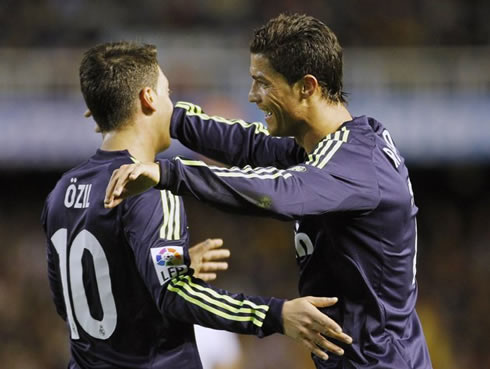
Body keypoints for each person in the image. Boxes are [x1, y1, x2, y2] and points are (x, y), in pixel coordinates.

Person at [104, 14, 433, 369]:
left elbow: (280, 193)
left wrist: (168, 173)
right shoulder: (321, 146)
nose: (252, 95)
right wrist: (169, 119)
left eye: (263, 83)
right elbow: (246, 143)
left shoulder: (356, 164)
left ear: (307, 86)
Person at [41, 41, 352, 369]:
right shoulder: (149, 187)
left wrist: (162, 267)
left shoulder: (62, 191)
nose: (171, 104)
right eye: (167, 92)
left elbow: (71, 303)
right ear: (148, 98)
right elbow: (176, 293)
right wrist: (277, 314)